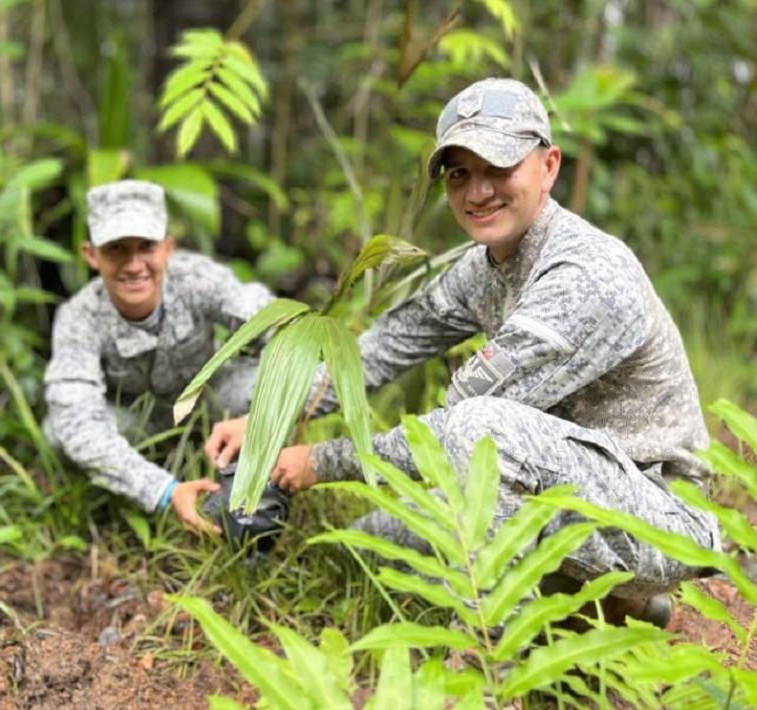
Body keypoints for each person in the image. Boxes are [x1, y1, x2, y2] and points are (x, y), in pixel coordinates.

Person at [205, 78, 719, 621]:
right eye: (459, 174)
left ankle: (486, 661)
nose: (477, 192)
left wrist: (319, 461)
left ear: (549, 166)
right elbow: (386, 346)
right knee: (365, 554)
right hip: (555, 482)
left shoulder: (586, 275)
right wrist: (270, 421)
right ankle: (610, 607)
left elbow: (455, 434)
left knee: (480, 430)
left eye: (499, 168)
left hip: (659, 513)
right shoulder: (484, 265)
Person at [44, 179, 273, 534]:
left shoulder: (198, 279)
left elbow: (273, 329)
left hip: (210, 408)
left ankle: (257, 496)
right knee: (60, 431)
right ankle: (131, 496)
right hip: (138, 425)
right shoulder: (78, 317)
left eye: (146, 247)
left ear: (167, 248)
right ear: (91, 255)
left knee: (266, 383)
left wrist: (261, 417)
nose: (134, 265)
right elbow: (75, 418)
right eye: (117, 249)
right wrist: (164, 491)